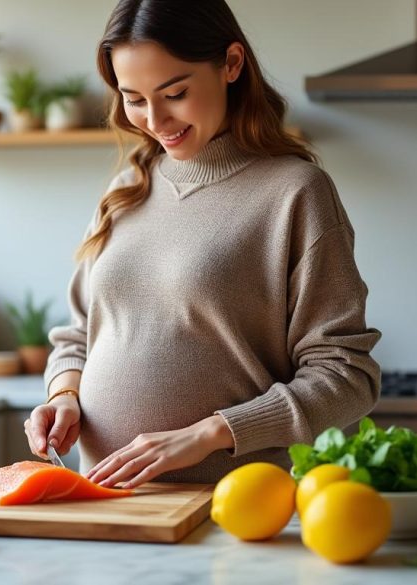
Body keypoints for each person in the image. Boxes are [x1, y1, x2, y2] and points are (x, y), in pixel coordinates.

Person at [23, 0, 381, 489]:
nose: (155, 119)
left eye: (175, 93)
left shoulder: (295, 192)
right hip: (106, 500)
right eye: (134, 99)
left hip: (234, 503)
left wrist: (211, 434)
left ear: (231, 64)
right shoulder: (127, 189)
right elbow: (78, 335)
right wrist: (64, 395)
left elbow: (347, 375)